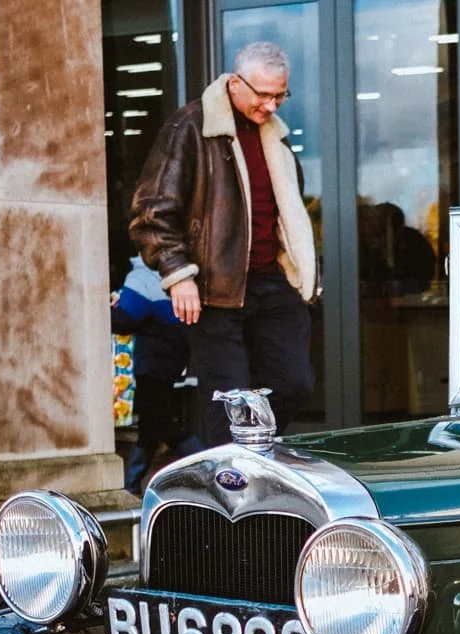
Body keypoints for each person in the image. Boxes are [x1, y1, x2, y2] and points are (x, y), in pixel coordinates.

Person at [129, 41, 316, 448]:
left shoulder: (275, 139)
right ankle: (226, 497)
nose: (271, 106)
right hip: (214, 289)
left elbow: (286, 215)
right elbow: (151, 212)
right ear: (235, 83)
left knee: (293, 382)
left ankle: (256, 458)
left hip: (270, 281)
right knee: (229, 403)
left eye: (280, 95)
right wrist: (178, 275)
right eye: (263, 94)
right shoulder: (191, 128)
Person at [110, 255, 197, 494]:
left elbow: (125, 318)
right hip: (172, 357)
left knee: (160, 422)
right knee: (154, 422)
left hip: (150, 360)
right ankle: (131, 483)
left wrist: (109, 307)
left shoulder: (140, 276)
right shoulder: (174, 275)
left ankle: (205, 459)